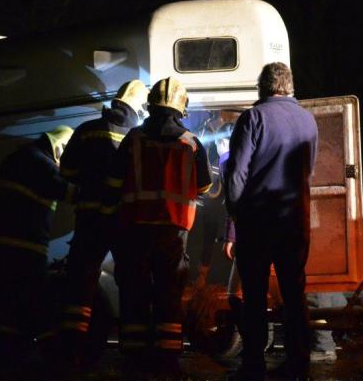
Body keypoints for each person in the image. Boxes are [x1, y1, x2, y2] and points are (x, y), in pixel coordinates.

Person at [104, 77, 212, 376]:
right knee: (169, 292)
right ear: (181, 108)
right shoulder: (191, 143)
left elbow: (113, 181)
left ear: (150, 105)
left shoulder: (134, 138)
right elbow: (204, 186)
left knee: (135, 290)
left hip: (135, 228)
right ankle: (167, 358)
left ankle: (134, 356)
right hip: (173, 232)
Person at [223, 62, 318, 381]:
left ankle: (254, 365)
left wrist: (235, 214)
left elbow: (237, 174)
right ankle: (299, 364)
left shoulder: (253, 118)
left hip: (258, 221)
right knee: (294, 293)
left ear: (262, 86)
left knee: (254, 295)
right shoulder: (308, 119)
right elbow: (309, 169)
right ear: (290, 86)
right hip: (295, 220)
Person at [56, 80, 148, 365]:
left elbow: (67, 171)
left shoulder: (86, 130)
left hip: (90, 218)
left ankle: (73, 348)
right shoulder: (139, 137)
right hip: (125, 221)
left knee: (81, 281)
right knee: (131, 281)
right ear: (139, 108)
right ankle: (133, 349)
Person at [0, 125, 76, 354]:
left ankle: (9, 351)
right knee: (40, 297)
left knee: (13, 299)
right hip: (25, 243)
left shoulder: (19, 157)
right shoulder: (42, 164)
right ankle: (50, 352)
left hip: (2, 241)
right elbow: (67, 192)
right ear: (60, 147)